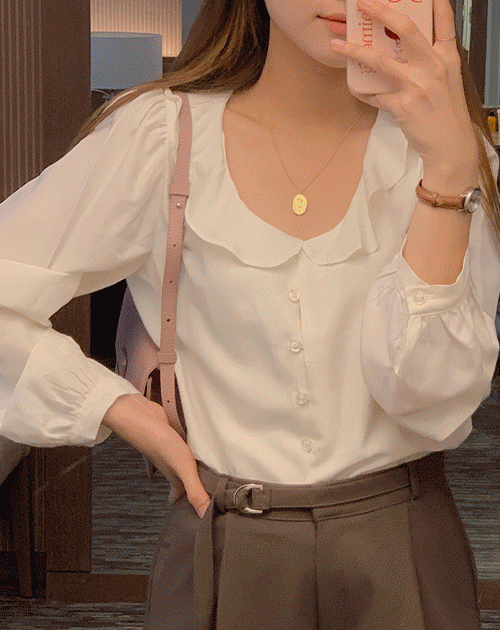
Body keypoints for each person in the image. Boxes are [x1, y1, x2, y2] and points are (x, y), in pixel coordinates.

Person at [1, 0, 499, 628]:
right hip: (225, 539)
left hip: (403, 544)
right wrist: (115, 406)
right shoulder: (163, 136)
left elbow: (428, 397)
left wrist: (448, 174)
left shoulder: (447, 157)